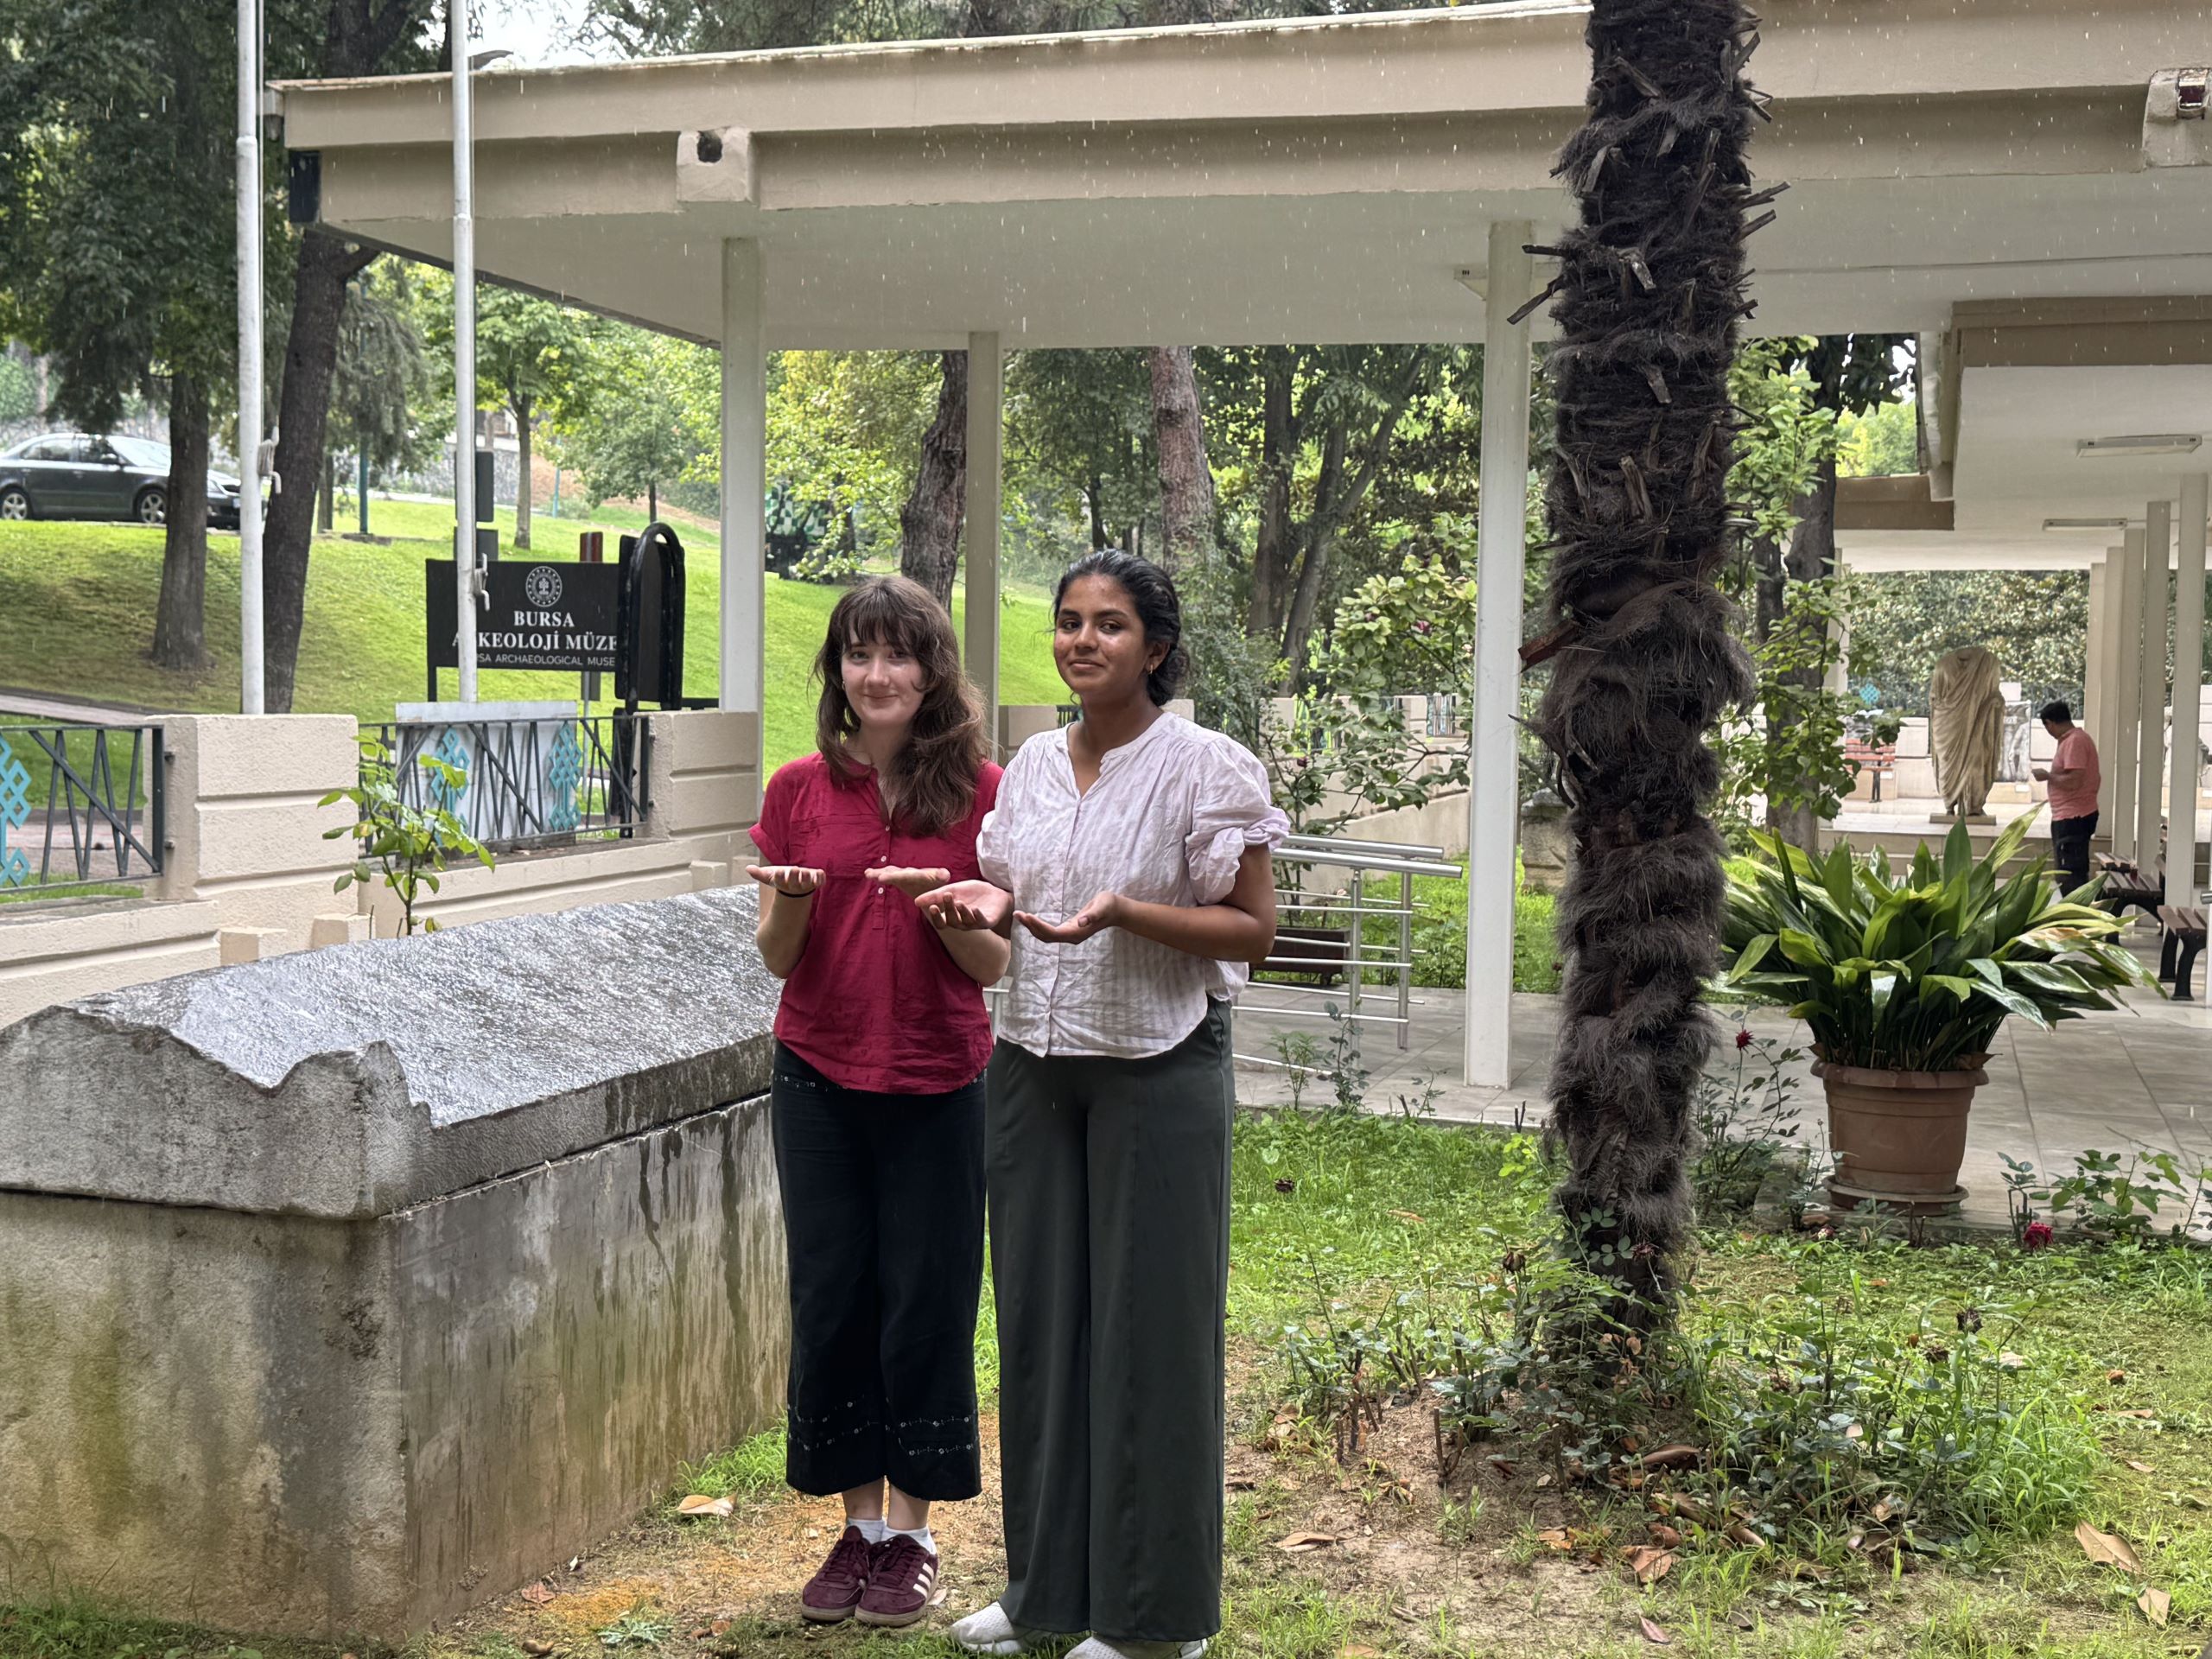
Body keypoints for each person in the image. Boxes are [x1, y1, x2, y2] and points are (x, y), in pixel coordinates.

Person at [916, 550, 1288, 1659]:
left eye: (1110, 625)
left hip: (1156, 1064)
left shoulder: (1204, 767)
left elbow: (1253, 930)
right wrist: (973, 908)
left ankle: (1153, 1619)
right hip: (1031, 1066)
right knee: (1039, 1328)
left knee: (1149, 1336)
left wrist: (1127, 911)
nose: (1083, 640)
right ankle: (1044, 1592)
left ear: (1155, 648)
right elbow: (1007, 916)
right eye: (1070, 621)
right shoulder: (1030, 765)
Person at [743, 575, 1009, 1630]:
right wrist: (790, 903)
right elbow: (777, 959)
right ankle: (858, 1526)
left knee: (925, 1300)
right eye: (859, 654)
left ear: (933, 669)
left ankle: (913, 1535)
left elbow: (993, 967)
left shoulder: (984, 793)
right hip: (817, 1074)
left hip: (939, 1077)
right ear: (837, 671)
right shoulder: (797, 790)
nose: (878, 673)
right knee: (833, 1294)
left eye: (899, 654)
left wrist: (949, 916)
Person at [2033, 699, 2101, 893]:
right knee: (2067, 871)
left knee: (2069, 873)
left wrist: (2048, 776)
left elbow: (2074, 780)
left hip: (2073, 817)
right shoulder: (2074, 739)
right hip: (2072, 815)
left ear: (2050, 723)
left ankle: (2074, 908)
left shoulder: (2074, 741)